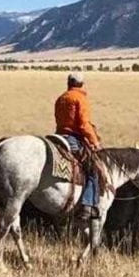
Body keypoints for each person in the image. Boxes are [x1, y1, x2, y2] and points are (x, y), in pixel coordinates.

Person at [54, 72, 102, 219]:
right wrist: (95, 142)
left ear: (68, 83)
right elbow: (83, 124)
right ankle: (87, 205)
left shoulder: (61, 98)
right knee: (92, 169)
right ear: (81, 84)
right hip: (72, 139)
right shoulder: (80, 99)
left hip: (57, 136)